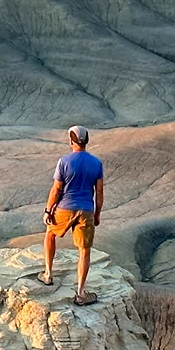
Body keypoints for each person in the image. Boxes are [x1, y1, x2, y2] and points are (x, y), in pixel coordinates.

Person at [41, 125, 104, 305]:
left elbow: (56, 189)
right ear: (87, 141)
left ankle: (48, 274)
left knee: (50, 234)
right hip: (86, 210)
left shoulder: (64, 161)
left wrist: (48, 210)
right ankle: (81, 293)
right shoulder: (96, 163)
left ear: (71, 141)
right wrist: (97, 214)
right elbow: (99, 193)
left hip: (64, 208)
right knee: (84, 250)